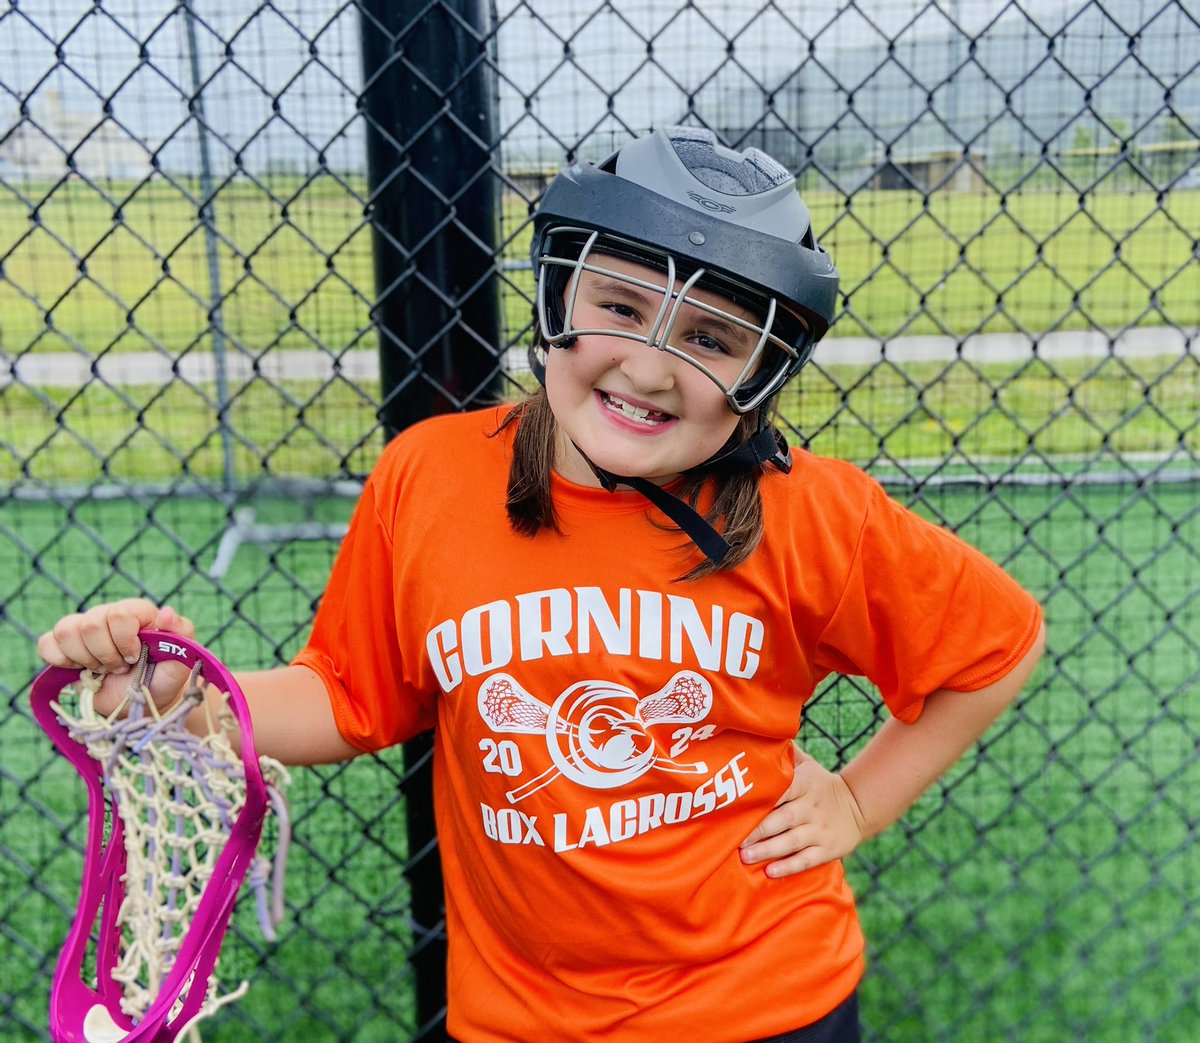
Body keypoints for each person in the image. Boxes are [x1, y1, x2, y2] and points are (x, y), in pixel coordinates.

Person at [38, 126, 1045, 1043]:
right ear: (559, 291)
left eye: (710, 337)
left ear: (764, 369)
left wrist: (860, 804)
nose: (651, 368)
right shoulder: (432, 475)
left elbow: (996, 644)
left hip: (764, 1000)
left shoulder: (812, 512)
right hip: (521, 1016)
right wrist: (192, 699)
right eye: (620, 306)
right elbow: (350, 694)